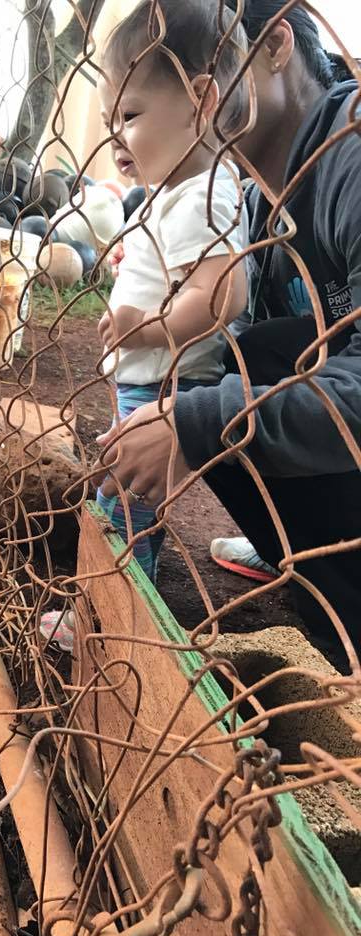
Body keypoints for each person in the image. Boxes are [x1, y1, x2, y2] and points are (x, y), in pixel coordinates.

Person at [95, 0, 361, 672]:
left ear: (272, 46)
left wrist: (200, 421)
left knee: (220, 389)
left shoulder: (350, 158)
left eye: (212, 56)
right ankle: (299, 561)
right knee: (237, 359)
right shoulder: (245, 199)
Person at [39, 0, 249, 647]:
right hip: (147, 379)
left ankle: (112, 620)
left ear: (201, 99)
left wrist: (150, 327)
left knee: (125, 502)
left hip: (169, 382)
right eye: (109, 120)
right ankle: (115, 606)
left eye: (130, 116)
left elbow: (225, 295)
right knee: (126, 495)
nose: (115, 137)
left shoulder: (209, 191)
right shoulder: (174, 191)